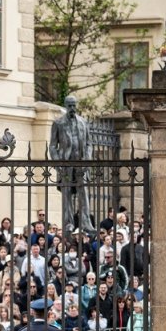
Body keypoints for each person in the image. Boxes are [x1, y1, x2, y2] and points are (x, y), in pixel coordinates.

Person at [49, 95, 93, 232]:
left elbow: (88, 144)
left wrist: (87, 160)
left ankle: (86, 223)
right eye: (69, 105)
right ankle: (68, 223)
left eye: (74, 105)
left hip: (81, 162)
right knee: (66, 193)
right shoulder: (58, 123)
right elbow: (52, 146)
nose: (72, 108)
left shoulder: (83, 122)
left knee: (83, 193)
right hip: (66, 164)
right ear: (65, 106)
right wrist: (58, 164)